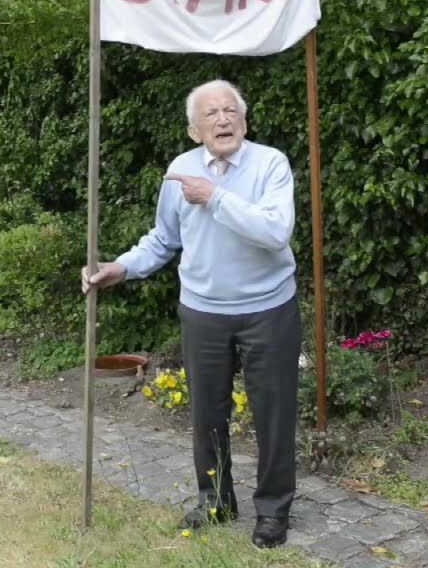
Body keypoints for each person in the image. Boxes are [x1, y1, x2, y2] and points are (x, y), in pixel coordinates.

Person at [81, 79, 301, 549]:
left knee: (274, 415)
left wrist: (215, 197)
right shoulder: (180, 171)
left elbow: (276, 232)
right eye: (211, 114)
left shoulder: (270, 165)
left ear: (244, 120)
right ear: (193, 129)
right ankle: (216, 500)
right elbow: (164, 239)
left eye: (230, 111)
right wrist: (120, 267)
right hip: (203, 312)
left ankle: (273, 511)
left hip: (269, 309)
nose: (223, 119)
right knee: (207, 414)